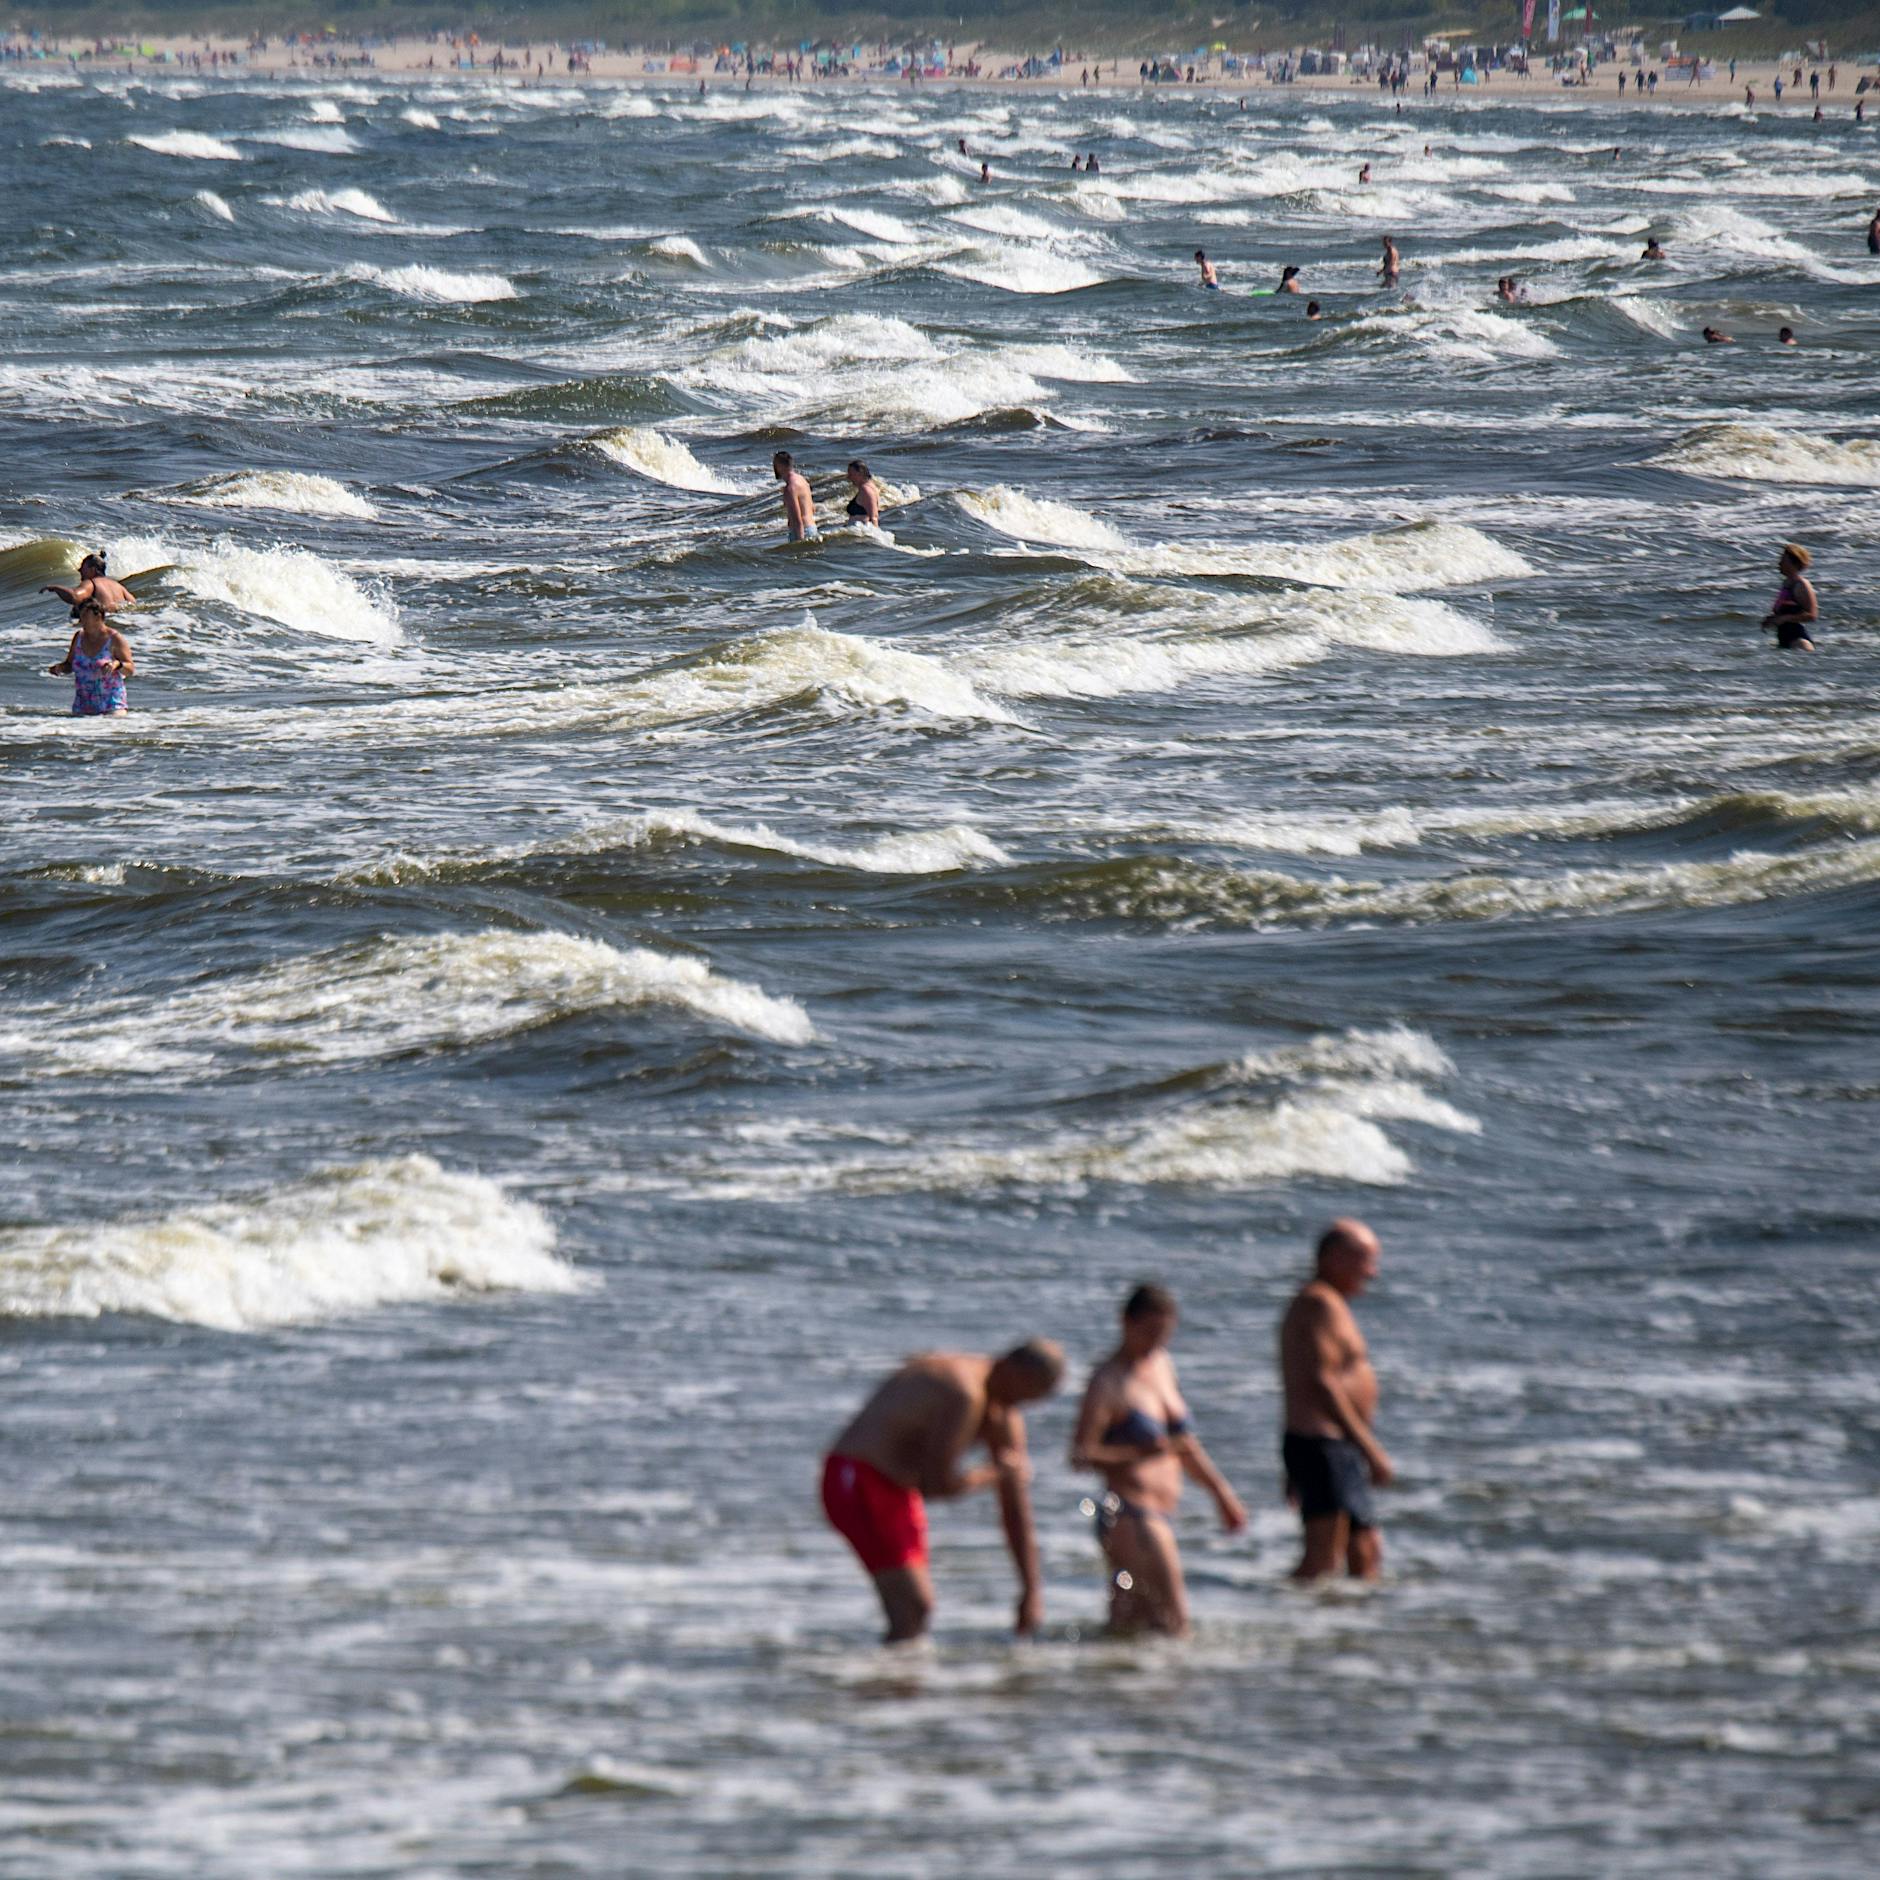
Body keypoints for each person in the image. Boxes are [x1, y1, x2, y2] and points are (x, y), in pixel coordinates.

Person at [821, 1341, 1064, 1641]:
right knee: (912, 1606)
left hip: (897, 1488)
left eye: (1032, 1400)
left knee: (917, 1610)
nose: (1020, 1405)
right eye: (1023, 1392)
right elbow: (937, 1485)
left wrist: (1030, 1590)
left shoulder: (1003, 1411)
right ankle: (886, 1682)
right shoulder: (964, 1392)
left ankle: (899, 1681)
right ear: (1009, 1368)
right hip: (858, 1476)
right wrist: (994, 1473)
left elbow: (1015, 1506)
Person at [1070, 1284, 1245, 1636]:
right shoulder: (1108, 1382)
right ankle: (1165, 1689)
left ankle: (1113, 1688)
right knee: (1174, 1624)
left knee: (1130, 1628)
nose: (1156, 1341)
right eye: (1149, 1331)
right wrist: (1141, 1453)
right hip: (1130, 1514)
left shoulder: (1163, 1365)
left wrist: (1220, 1493)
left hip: (1160, 1513)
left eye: (1164, 1333)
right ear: (1125, 1323)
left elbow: (1184, 1445)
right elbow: (1081, 1455)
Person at [1278, 1220, 1391, 1581]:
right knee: (1322, 1558)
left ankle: (1348, 1632)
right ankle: (1292, 1626)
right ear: (1334, 1258)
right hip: (1321, 1444)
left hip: (1330, 1445)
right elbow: (1321, 1382)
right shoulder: (1318, 1303)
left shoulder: (1329, 1303)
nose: (1372, 1273)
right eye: (1364, 1261)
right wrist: (1369, 1448)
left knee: (1366, 1550)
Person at [49, 597, 134, 715]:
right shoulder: (79, 637)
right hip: (83, 705)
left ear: (98, 617)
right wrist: (60, 668)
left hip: (111, 704)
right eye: (80, 615)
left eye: (85, 616)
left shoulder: (114, 638)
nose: (81, 620)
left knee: (109, 732)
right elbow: (70, 664)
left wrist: (116, 664)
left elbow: (130, 669)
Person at [1761, 543, 1818, 651]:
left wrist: (1784, 618)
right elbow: (1785, 612)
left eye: (1783, 560)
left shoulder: (1801, 584)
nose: (1779, 563)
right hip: (1784, 642)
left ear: (1794, 563)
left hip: (1799, 642)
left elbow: (1812, 615)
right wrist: (1771, 620)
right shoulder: (1786, 584)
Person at [41, 550, 135, 615]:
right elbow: (133, 603)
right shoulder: (118, 586)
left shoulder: (91, 583)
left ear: (93, 569)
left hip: (101, 625)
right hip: (120, 621)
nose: (79, 570)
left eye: (82, 567)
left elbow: (75, 596)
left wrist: (55, 588)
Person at [772, 451, 817, 542]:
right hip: (812, 527)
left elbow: (797, 519)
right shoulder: (802, 480)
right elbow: (812, 508)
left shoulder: (790, 488)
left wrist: (799, 543)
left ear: (779, 466)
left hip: (802, 532)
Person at [843, 459, 882, 526]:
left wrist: (874, 534)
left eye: (851, 474)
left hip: (861, 532)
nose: (848, 477)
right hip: (857, 530)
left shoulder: (866, 490)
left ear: (860, 473)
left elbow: (874, 517)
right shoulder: (871, 485)